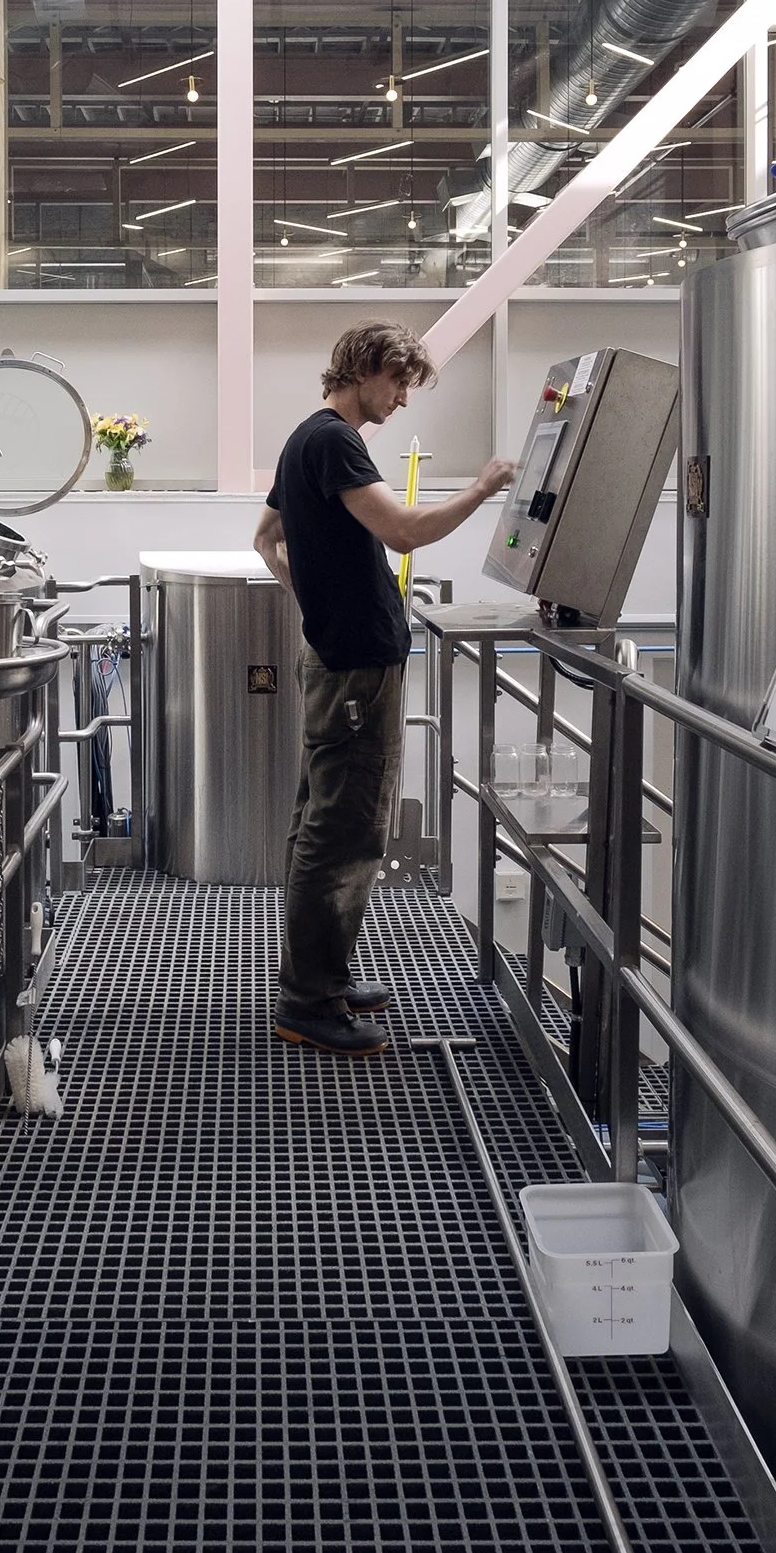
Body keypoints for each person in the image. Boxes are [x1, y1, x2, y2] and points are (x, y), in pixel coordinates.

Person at [254, 322, 516, 1056]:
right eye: (399, 383)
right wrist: (484, 487)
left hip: (335, 655)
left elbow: (265, 537)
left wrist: (312, 598)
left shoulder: (306, 438)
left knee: (320, 823)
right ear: (366, 370)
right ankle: (310, 1001)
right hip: (358, 667)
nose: (402, 400)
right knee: (345, 832)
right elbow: (402, 532)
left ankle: (317, 974)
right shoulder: (335, 441)